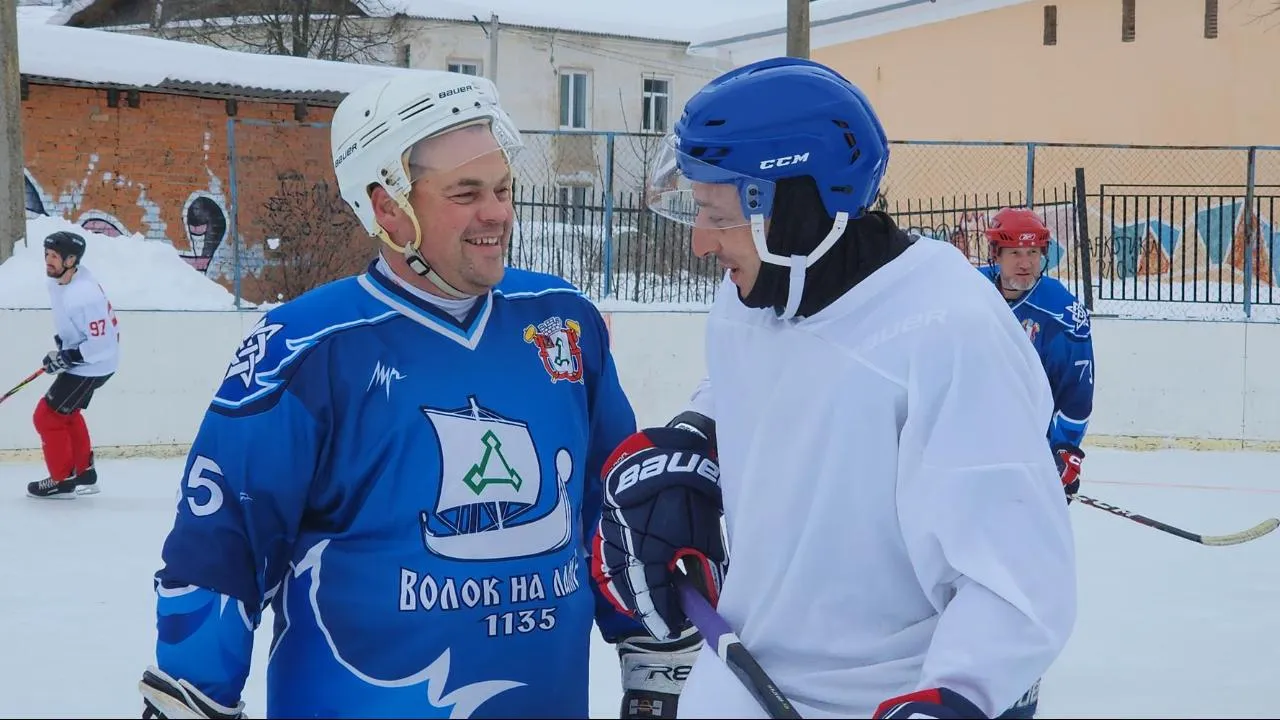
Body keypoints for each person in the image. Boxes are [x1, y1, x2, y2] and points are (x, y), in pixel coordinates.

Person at [138, 71, 697, 719]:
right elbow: (221, 545)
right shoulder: (307, 348)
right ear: (387, 209)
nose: (498, 213)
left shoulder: (560, 320)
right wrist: (192, 697)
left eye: (503, 188)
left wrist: (655, 656)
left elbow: (617, 507)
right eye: (466, 193)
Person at [590, 57, 1078, 720]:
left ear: (794, 206)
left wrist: (957, 696)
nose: (700, 242)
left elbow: (1016, 577)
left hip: (887, 698)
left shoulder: (949, 328)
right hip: (739, 682)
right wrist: (694, 441)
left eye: (716, 214)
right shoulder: (753, 297)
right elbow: (752, 387)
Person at [975, 206, 1095, 718]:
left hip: (1026, 462)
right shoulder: (968, 291)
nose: (1024, 264)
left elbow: (1077, 396)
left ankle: (1019, 675)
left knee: (1019, 564)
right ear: (995, 253)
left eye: (1033, 253)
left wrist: (1063, 452)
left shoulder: (1062, 312)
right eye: (1013, 253)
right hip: (966, 456)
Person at [27, 230, 118, 499]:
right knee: (67, 413)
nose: (48, 260)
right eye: (47, 254)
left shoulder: (84, 294)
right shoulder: (60, 282)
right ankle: (84, 474)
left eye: (55, 256)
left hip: (94, 365)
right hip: (86, 360)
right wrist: (62, 348)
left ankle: (62, 481)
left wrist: (69, 357)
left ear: (71, 260)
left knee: (46, 416)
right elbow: (74, 325)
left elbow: (103, 344)